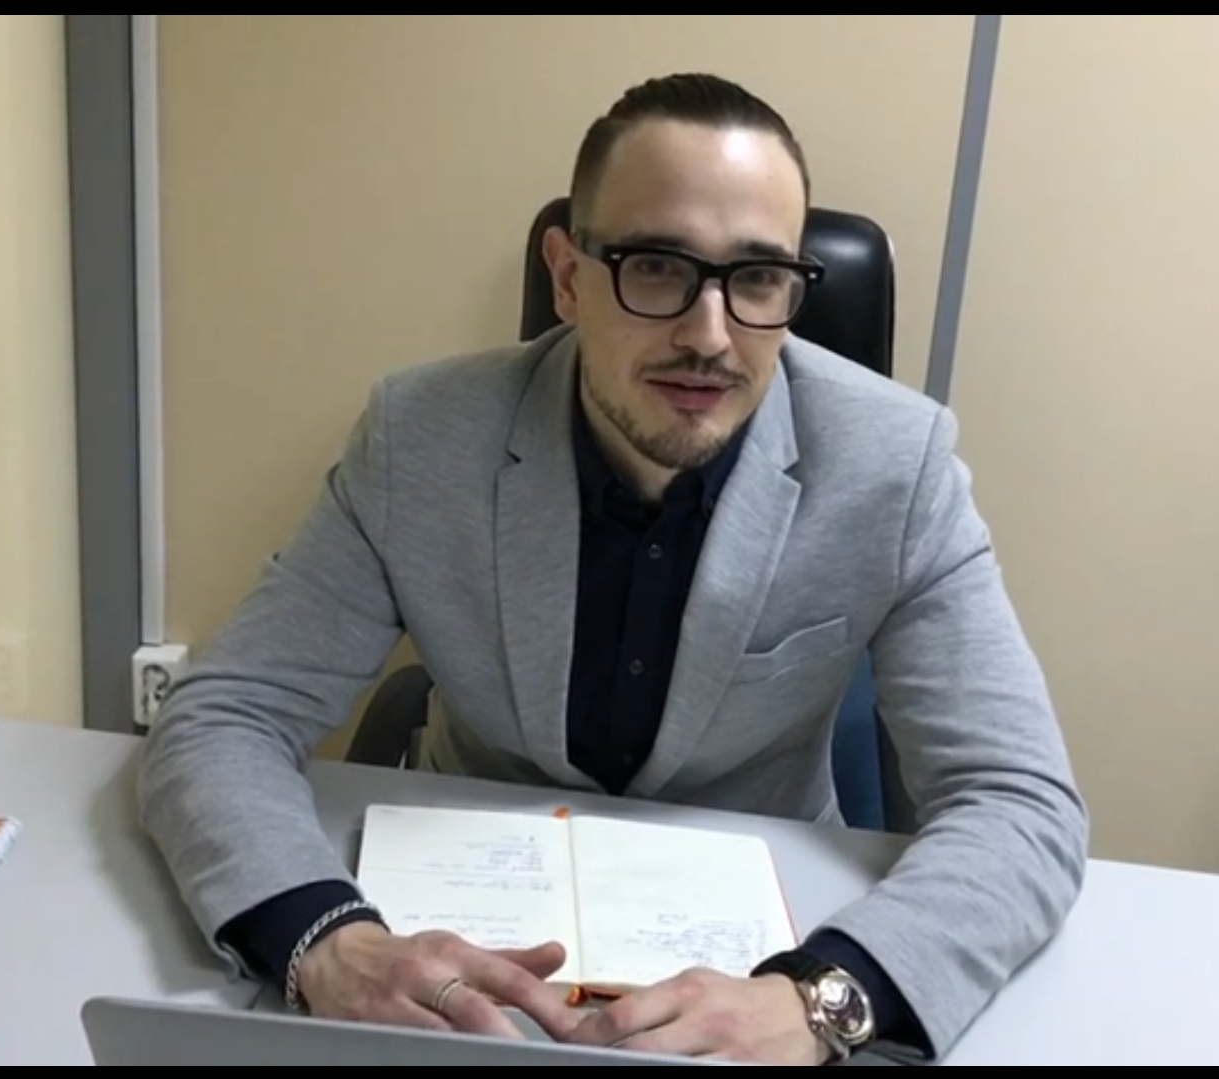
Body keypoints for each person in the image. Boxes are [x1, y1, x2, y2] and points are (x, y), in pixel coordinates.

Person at [137, 72, 1088, 1066]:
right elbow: (226, 716)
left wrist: (822, 999)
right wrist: (323, 938)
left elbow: (1017, 802)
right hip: (469, 942)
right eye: (656, 266)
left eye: (758, 278)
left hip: (761, 958)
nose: (708, 335)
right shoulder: (420, 439)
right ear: (566, 276)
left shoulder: (895, 466)